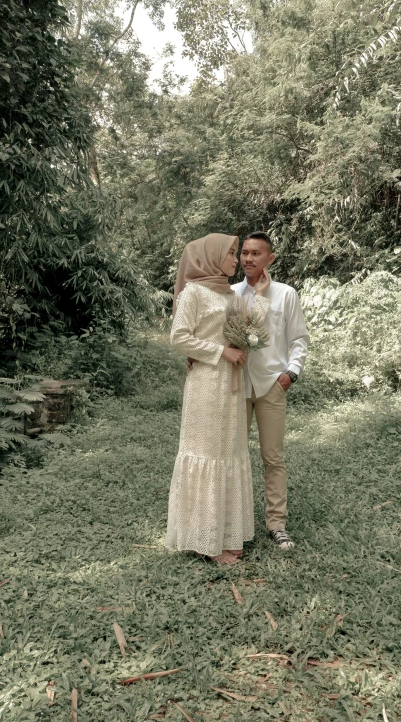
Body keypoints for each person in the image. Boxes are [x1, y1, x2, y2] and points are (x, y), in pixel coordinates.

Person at [166, 233, 271, 565]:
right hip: (206, 386)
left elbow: (252, 329)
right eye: (229, 253)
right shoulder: (193, 293)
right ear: (210, 258)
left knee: (229, 450)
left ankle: (226, 534)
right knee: (208, 451)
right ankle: (206, 543)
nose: (235, 259)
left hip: (230, 385)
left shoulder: (227, 294)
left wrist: (262, 295)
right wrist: (220, 351)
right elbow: (179, 336)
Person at [232, 232, 309, 550]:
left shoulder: (286, 294)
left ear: (270, 259)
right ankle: (233, 521)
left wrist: (291, 372)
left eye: (255, 253)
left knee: (272, 457)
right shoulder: (231, 293)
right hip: (235, 385)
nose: (248, 259)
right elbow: (242, 339)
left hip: (270, 384)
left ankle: (276, 523)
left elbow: (299, 339)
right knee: (232, 456)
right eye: (244, 253)